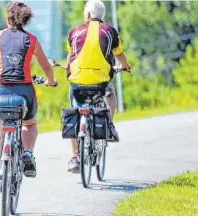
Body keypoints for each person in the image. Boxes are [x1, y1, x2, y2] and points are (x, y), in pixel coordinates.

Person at [0, 1, 57, 193]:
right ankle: (28, 152)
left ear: (7, 19)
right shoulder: (32, 39)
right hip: (25, 91)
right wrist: (50, 81)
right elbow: (46, 66)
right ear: (25, 21)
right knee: (30, 125)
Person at [64, 0, 131, 173]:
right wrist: (125, 66)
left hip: (77, 83)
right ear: (102, 17)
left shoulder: (74, 32)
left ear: (87, 15)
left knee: (74, 110)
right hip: (100, 84)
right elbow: (120, 55)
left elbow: (70, 57)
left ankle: (74, 158)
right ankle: (108, 124)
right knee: (110, 95)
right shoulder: (110, 32)